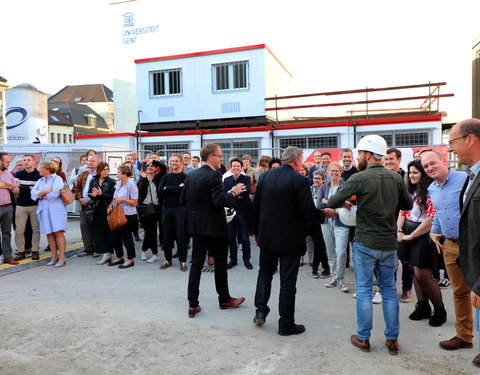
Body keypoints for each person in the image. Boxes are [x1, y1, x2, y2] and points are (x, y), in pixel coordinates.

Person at [327, 135, 412, 355]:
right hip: (388, 243)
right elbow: (408, 203)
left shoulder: (360, 177)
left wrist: (350, 201)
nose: (357, 159)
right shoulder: (395, 178)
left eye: (359, 155)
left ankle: (363, 337)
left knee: (364, 290)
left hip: (365, 242)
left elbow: (334, 201)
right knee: (389, 292)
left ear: (367, 154)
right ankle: (392, 339)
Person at [252, 146, 335, 335]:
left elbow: (256, 206)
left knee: (264, 273)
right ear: (297, 160)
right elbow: (307, 211)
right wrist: (324, 213)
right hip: (289, 239)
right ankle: (286, 324)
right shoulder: (299, 180)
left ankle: (260, 311)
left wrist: (255, 231)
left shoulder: (265, 176)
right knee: (287, 282)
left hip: (267, 236)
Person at [182, 143, 246, 318]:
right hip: (215, 228)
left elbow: (183, 199)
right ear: (211, 157)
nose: (222, 158)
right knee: (219, 265)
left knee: (196, 265)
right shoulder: (215, 175)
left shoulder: (191, 175)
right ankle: (224, 299)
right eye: (219, 155)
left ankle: (192, 304)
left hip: (197, 227)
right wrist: (233, 192)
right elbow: (219, 201)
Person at [421, 151, 473, 351]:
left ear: (443, 161)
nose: (429, 168)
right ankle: (464, 336)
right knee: (460, 293)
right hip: (450, 245)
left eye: (432, 163)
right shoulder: (432, 188)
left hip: (472, 243)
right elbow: (439, 212)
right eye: (426, 166)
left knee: (478, 294)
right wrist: (435, 231)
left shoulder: (465, 179)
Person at [397, 160, 446, 326]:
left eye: (415, 172)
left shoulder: (431, 192)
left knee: (422, 274)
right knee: (412, 268)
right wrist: (399, 230)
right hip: (408, 231)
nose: (411, 175)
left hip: (423, 234)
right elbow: (403, 211)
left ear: (423, 175)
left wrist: (411, 236)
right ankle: (423, 306)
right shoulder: (410, 190)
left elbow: (431, 219)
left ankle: (439, 309)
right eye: (410, 172)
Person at [447, 118, 480, 367]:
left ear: (470, 139)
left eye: (452, 142)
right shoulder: (471, 174)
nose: (450, 149)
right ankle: (468, 338)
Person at [317, 162, 351, 293]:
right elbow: (319, 205)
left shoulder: (345, 186)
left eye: (337, 171)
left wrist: (329, 202)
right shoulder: (324, 186)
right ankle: (334, 276)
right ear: (328, 172)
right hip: (326, 221)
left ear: (340, 173)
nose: (334, 173)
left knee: (341, 251)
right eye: (332, 171)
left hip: (341, 221)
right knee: (330, 250)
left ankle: (340, 278)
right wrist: (340, 202)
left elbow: (348, 204)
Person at [31, 161, 67, 268]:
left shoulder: (57, 179)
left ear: (48, 169)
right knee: (49, 233)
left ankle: (62, 256)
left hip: (56, 210)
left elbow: (54, 193)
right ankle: (54, 255)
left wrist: (41, 194)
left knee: (58, 232)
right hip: (44, 209)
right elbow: (32, 193)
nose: (39, 170)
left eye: (41, 168)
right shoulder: (40, 180)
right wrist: (45, 192)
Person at [158, 154, 188, 272]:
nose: (173, 163)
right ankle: (168, 260)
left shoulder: (186, 177)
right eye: (171, 161)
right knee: (166, 236)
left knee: (181, 236)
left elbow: (184, 191)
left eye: (176, 161)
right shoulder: (165, 177)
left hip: (180, 209)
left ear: (181, 163)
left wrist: (168, 189)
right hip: (166, 209)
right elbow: (160, 192)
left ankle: (183, 261)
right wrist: (176, 188)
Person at [108, 165, 139, 269]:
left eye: (118, 172)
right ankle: (119, 257)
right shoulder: (119, 184)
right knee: (114, 236)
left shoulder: (132, 184)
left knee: (127, 237)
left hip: (128, 215)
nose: (117, 174)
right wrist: (110, 206)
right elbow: (114, 197)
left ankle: (130, 259)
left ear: (124, 174)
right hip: (117, 213)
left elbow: (135, 202)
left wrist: (124, 200)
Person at [224, 158, 252, 270]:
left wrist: (231, 193)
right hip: (230, 213)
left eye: (238, 166)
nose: (235, 168)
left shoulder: (246, 178)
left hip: (243, 213)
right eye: (233, 166)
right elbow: (223, 194)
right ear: (231, 168)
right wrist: (235, 192)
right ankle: (233, 260)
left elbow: (246, 192)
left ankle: (247, 260)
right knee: (231, 238)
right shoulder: (226, 180)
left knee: (245, 238)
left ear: (241, 167)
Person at [13, 154, 41, 261]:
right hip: (20, 205)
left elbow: (38, 190)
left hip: (35, 205)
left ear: (34, 162)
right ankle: (21, 251)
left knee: (35, 229)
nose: (26, 162)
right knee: (19, 230)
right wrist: (31, 188)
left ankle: (34, 250)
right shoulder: (18, 173)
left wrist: (24, 187)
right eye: (24, 160)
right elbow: (15, 189)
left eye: (29, 160)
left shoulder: (39, 175)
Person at [88, 162, 116, 265]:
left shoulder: (111, 181)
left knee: (108, 231)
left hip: (107, 208)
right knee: (99, 232)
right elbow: (89, 194)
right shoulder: (93, 180)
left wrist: (101, 194)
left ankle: (109, 252)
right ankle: (105, 253)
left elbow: (113, 196)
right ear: (99, 171)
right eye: (104, 169)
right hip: (97, 209)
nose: (106, 171)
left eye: (107, 169)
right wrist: (95, 195)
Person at [137, 162, 162, 263]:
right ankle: (146, 251)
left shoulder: (159, 178)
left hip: (156, 208)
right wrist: (143, 178)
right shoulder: (142, 179)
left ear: (156, 168)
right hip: (144, 208)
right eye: (148, 166)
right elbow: (141, 191)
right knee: (149, 231)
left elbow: (163, 168)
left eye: (152, 166)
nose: (149, 168)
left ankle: (153, 253)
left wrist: (153, 160)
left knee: (151, 232)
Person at [75, 155, 100, 257]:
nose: (90, 163)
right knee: (84, 226)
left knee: (96, 227)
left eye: (92, 161)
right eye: (89, 161)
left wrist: (89, 201)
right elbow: (77, 188)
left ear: (98, 162)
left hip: (96, 205)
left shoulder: (100, 174)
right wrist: (80, 198)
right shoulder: (84, 174)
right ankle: (88, 248)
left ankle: (97, 248)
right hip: (83, 205)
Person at [309, 170, 330, 278]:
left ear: (323, 180)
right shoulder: (309, 189)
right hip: (312, 219)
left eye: (318, 178)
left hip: (322, 218)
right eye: (314, 178)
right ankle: (326, 267)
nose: (315, 180)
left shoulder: (326, 190)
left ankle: (315, 269)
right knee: (319, 244)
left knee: (318, 244)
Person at [0, 152, 20, 265]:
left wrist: (11, 186)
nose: (9, 163)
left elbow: (17, 190)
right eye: (6, 161)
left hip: (8, 207)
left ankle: (7, 256)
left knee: (7, 233)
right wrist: (4, 185)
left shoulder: (9, 175)